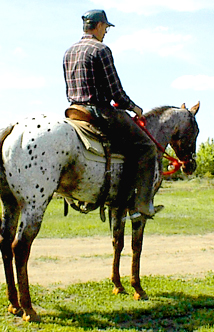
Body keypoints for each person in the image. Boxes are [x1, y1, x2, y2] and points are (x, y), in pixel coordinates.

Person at [63, 9, 157, 221]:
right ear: (98, 26)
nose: (106, 32)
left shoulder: (68, 51)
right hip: (99, 110)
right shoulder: (101, 49)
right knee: (146, 148)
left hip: (74, 110)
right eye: (105, 27)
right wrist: (133, 107)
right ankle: (140, 204)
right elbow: (116, 91)